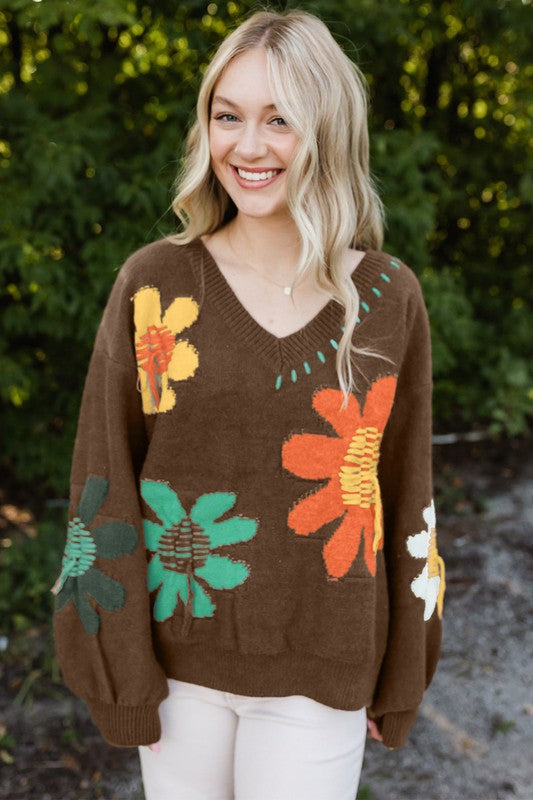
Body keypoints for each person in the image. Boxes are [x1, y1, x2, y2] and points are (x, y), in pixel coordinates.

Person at [50, 7, 445, 800]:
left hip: (320, 670)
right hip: (175, 668)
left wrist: (400, 676)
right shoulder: (155, 283)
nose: (248, 146)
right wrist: (122, 674)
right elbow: (103, 482)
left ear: (326, 131)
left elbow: (405, 497)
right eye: (227, 117)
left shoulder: (385, 296)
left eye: (279, 120)